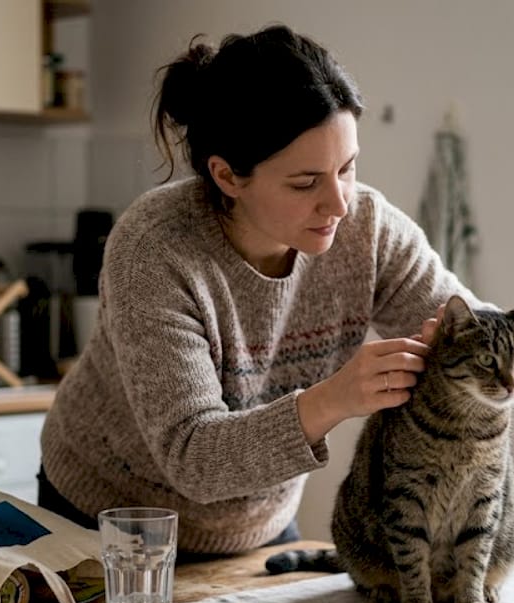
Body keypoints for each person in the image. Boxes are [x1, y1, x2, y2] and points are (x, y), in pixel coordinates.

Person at [38, 23, 483, 557]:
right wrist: (337, 396)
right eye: (305, 182)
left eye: (347, 168)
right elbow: (195, 457)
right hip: (109, 523)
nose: (339, 203)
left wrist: (474, 350)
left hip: (261, 528)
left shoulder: (368, 228)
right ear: (227, 176)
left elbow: (482, 331)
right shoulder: (153, 249)